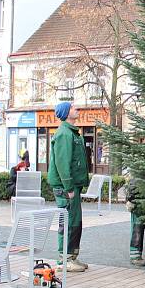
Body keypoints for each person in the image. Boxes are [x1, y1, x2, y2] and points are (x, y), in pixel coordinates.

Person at [47, 101, 89, 273]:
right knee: (68, 221)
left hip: (72, 187)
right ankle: (65, 259)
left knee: (75, 221)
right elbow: (63, 163)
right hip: (66, 188)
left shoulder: (71, 132)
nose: (76, 109)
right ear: (65, 112)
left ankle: (71, 256)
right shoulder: (64, 134)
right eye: (72, 107)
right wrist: (69, 188)